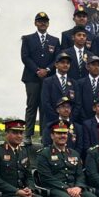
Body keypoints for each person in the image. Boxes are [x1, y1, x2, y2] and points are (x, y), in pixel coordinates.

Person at [36, 122, 99, 197]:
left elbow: (80, 174)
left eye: (65, 133)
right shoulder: (44, 154)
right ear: (52, 136)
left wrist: (78, 187)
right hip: (55, 190)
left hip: (75, 189)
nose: (62, 136)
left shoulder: (74, 153)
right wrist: (66, 189)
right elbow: (46, 178)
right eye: (58, 133)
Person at [21, 12, 59, 145]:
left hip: (48, 78)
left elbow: (57, 59)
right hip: (32, 77)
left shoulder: (55, 40)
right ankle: (28, 135)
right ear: (35, 23)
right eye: (40, 21)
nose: (43, 23)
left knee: (45, 106)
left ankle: (44, 135)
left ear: (48, 23)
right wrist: (37, 70)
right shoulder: (27, 39)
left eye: (45, 21)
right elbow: (25, 57)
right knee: (32, 105)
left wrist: (47, 70)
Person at [41, 51, 77, 130]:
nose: (65, 65)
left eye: (68, 63)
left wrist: (69, 117)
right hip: (51, 122)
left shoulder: (74, 83)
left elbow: (77, 103)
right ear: (56, 65)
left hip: (69, 122)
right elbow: (45, 103)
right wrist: (57, 118)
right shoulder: (48, 81)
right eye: (62, 62)